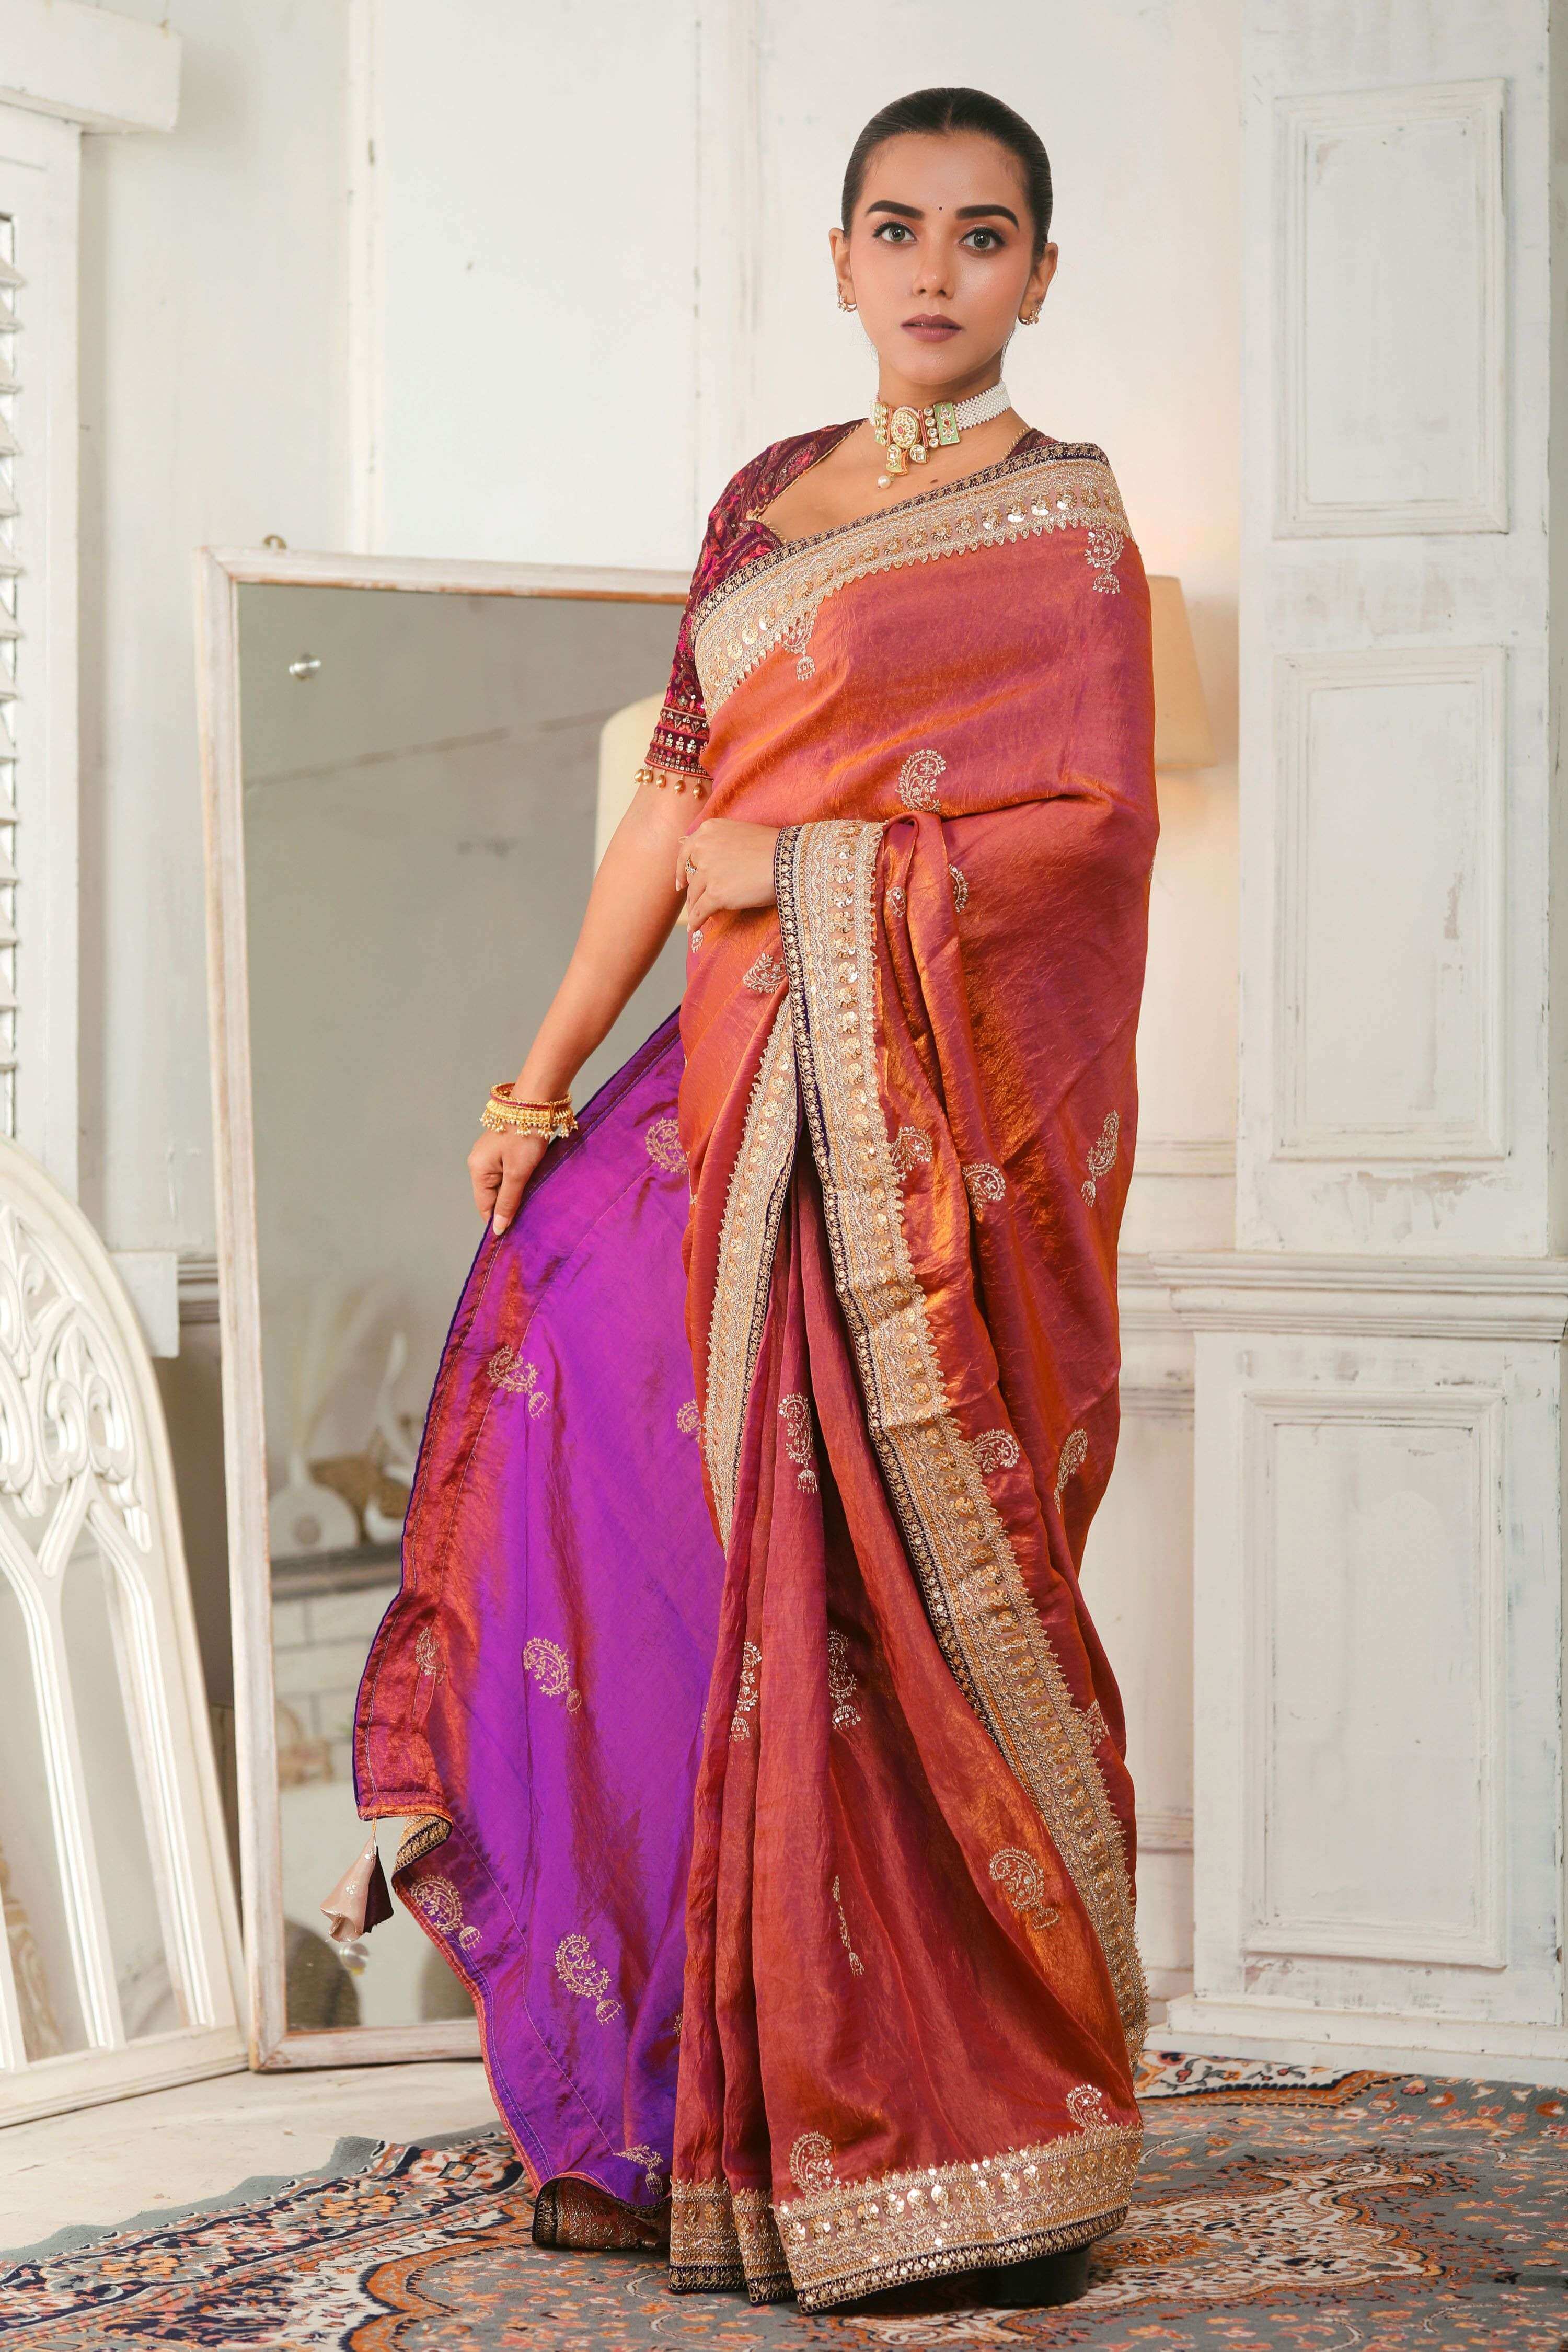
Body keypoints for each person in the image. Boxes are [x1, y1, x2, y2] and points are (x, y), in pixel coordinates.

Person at [344, 83, 1157, 2316]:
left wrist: (800, 876)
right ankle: (637, 2100)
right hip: (695, 1111)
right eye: (896, 228)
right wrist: (533, 1081)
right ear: (835, 257)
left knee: (833, 1618)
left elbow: (1083, 847)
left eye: (982, 237)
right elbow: (661, 816)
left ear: (1041, 279)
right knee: (593, 1538)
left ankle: (909, 2126)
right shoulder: (756, 507)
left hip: (883, 1157)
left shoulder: (1067, 534)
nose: (933, 269)